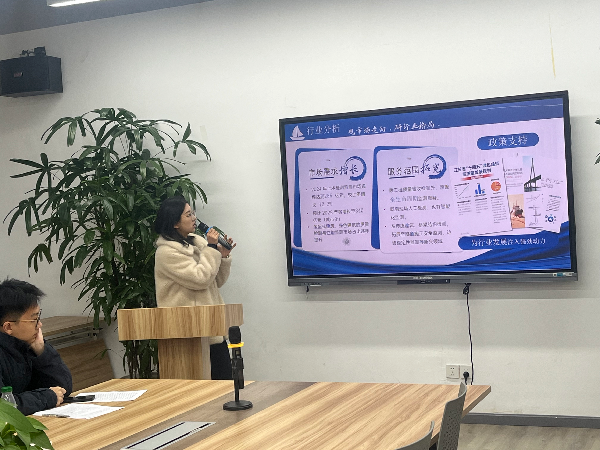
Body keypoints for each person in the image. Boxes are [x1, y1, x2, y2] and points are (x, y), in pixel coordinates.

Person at [154, 196, 235, 380]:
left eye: (193, 213)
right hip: (189, 334)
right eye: (188, 214)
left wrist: (222, 256)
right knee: (201, 390)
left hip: (211, 328)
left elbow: (215, 281)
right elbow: (200, 279)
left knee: (224, 384)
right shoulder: (166, 252)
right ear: (175, 222)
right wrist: (212, 248)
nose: (194, 218)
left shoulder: (198, 242)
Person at [0, 279, 73, 415]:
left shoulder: (26, 345)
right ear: (8, 327)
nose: (39, 325)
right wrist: (47, 397)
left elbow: (62, 389)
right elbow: (4, 407)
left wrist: (42, 352)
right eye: (34, 320)